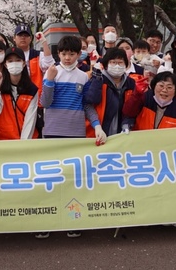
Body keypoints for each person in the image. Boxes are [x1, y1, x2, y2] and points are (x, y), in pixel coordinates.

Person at [36, 35, 105, 239]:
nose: (67, 57)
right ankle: (46, 220)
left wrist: (97, 125)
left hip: (75, 134)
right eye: (64, 53)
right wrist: (49, 79)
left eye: (71, 53)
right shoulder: (52, 72)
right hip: (52, 132)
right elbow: (45, 103)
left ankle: (72, 218)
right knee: (50, 179)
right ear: (58, 54)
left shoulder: (83, 76)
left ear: (78, 54)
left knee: (72, 180)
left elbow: (87, 105)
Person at [85, 48, 144, 137]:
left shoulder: (131, 83)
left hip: (122, 133)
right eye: (113, 62)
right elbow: (91, 101)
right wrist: (97, 80)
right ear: (106, 65)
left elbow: (133, 109)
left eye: (120, 62)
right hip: (98, 132)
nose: (117, 66)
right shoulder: (98, 80)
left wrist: (127, 124)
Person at [0, 47, 39, 140]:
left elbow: (30, 120)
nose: (14, 63)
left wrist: (24, 145)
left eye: (18, 60)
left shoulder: (32, 90)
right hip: (4, 140)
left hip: (26, 141)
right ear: (5, 65)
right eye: (10, 61)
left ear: (23, 63)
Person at [11, 24, 54, 100]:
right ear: (14, 38)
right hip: (15, 98)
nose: (23, 37)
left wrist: (44, 42)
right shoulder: (10, 55)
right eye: (20, 35)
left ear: (30, 38)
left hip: (35, 97)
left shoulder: (38, 55)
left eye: (26, 35)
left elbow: (49, 65)